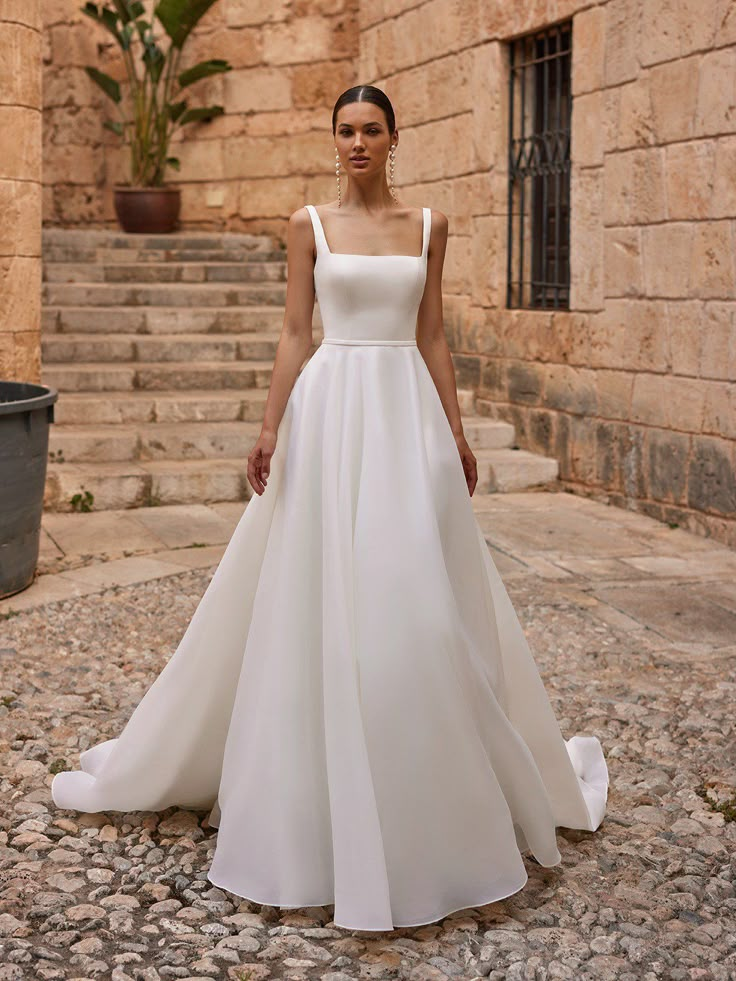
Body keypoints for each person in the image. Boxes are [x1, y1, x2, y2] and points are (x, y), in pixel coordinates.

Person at [51, 84, 609, 932]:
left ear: (395, 137)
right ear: (333, 140)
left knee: (417, 609)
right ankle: (315, 803)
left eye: (371, 130)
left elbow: (431, 335)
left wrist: (456, 432)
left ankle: (428, 799)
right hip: (330, 415)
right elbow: (294, 332)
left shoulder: (430, 225)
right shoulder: (307, 222)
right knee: (324, 602)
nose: (357, 143)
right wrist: (270, 425)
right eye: (345, 131)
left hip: (406, 418)